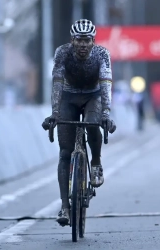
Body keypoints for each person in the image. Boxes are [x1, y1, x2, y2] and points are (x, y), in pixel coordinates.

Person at [42, 19, 116, 226]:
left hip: (93, 97)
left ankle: (96, 163)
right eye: (79, 40)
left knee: (93, 124)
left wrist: (106, 113)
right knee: (65, 153)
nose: (83, 44)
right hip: (68, 96)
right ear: (72, 40)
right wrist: (55, 112)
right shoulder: (62, 53)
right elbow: (57, 81)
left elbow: (105, 82)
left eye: (87, 40)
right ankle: (65, 207)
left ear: (93, 41)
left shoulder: (102, 54)